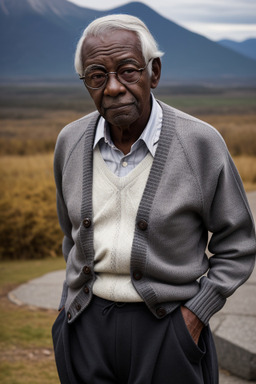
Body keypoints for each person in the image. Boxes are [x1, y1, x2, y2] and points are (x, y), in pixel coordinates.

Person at [52, 14, 256, 384]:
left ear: (154, 72)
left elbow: (239, 244)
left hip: (168, 330)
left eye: (128, 71)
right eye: (97, 76)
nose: (113, 87)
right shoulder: (70, 141)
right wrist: (66, 306)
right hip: (84, 327)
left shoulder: (200, 143)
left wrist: (194, 317)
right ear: (86, 84)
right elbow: (70, 235)